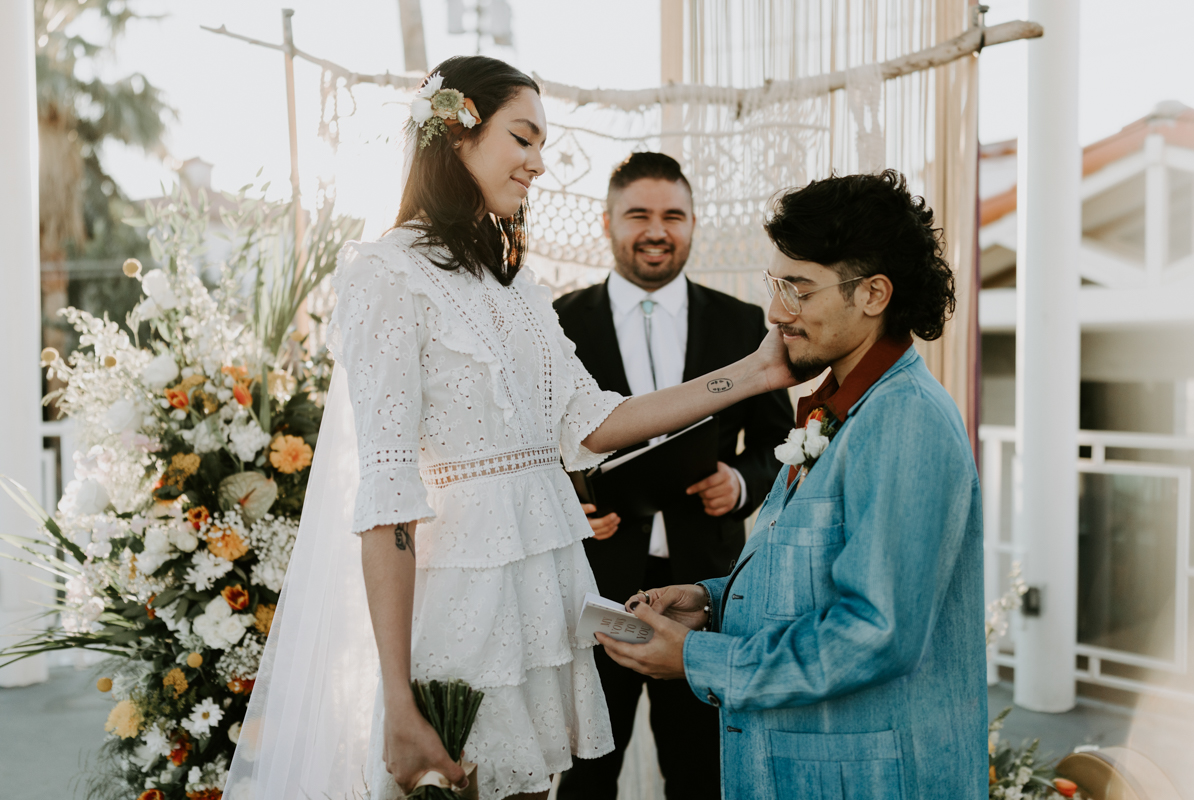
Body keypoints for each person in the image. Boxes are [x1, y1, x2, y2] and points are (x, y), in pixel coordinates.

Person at [224, 56, 798, 800]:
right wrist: (397, 697)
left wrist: (755, 373)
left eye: (542, 143)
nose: (539, 162)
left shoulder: (519, 287)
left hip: (543, 604)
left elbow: (598, 422)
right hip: (461, 610)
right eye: (523, 138)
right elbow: (388, 497)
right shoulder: (385, 274)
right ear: (457, 134)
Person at [597, 171, 987, 800]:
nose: (778, 312)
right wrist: (712, 599)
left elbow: (874, 633)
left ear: (874, 294)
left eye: (799, 290)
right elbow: (816, 576)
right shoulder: (839, 407)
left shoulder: (904, 418)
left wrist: (698, 659)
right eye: (776, 286)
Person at [553, 153, 792, 800]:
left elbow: (782, 444)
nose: (657, 230)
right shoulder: (557, 324)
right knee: (585, 777)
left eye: (673, 216)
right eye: (639, 215)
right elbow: (531, 453)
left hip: (707, 592)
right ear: (607, 223)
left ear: (692, 225)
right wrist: (564, 507)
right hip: (593, 585)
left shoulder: (747, 325)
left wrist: (741, 483)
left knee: (702, 774)